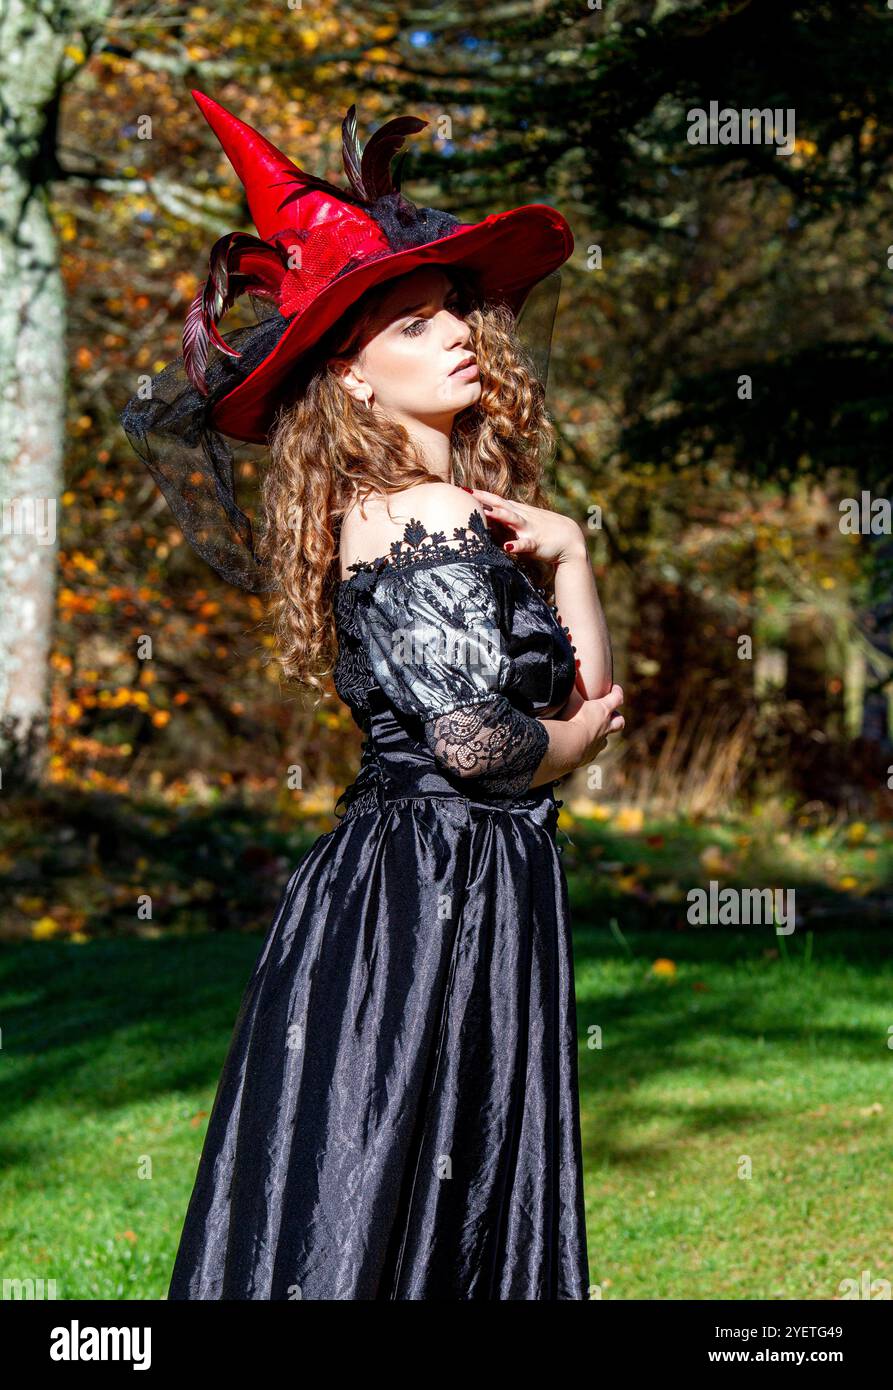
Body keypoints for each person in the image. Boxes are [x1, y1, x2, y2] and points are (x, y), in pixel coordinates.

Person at [120, 89, 624, 1300]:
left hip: (432, 884)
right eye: (409, 325)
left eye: (452, 310)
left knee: (380, 1183)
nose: (452, 332)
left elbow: (579, 708)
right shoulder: (422, 515)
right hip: (432, 892)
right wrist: (572, 735)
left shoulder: (431, 518)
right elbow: (481, 740)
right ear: (349, 379)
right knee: (408, 1183)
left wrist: (567, 557)